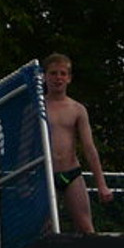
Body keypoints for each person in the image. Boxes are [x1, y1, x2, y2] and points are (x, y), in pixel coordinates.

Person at [42, 52, 112, 234]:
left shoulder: (77, 109)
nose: (58, 78)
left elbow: (89, 148)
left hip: (71, 172)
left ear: (69, 78)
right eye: (53, 73)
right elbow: (24, 146)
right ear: (44, 77)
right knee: (44, 227)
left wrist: (101, 184)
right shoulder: (35, 107)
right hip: (44, 174)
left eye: (62, 74)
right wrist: (25, 181)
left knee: (86, 226)